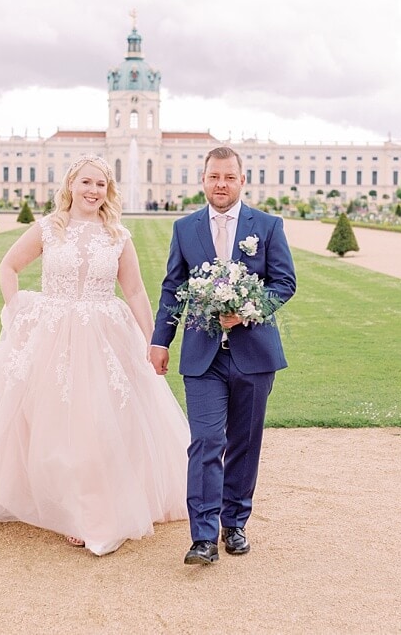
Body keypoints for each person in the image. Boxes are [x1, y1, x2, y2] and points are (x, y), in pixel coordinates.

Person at [0, 155, 189, 556]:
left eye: (101, 184)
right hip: (52, 335)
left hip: (105, 335)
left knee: (98, 422)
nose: (93, 191)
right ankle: (65, 506)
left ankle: (93, 508)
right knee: (54, 421)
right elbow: (8, 266)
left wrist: (152, 340)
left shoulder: (118, 235)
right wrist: (19, 314)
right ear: (71, 185)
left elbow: (135, 292)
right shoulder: (49, 228)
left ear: (109, 190)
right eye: (86, 182)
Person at [150, 146, 297, 565]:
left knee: (244, 442)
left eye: (229, 177)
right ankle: (202, 535)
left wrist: (248, 308)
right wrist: (162, 340)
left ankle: (235, 525)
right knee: (206, 441)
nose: (221, 184)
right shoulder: (185, 228)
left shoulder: (267, 226)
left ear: (241, 180)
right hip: (203, 356)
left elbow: (284, 283)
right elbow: (171, 287)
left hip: (254, 353)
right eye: (214, 177)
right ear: (203, 179)